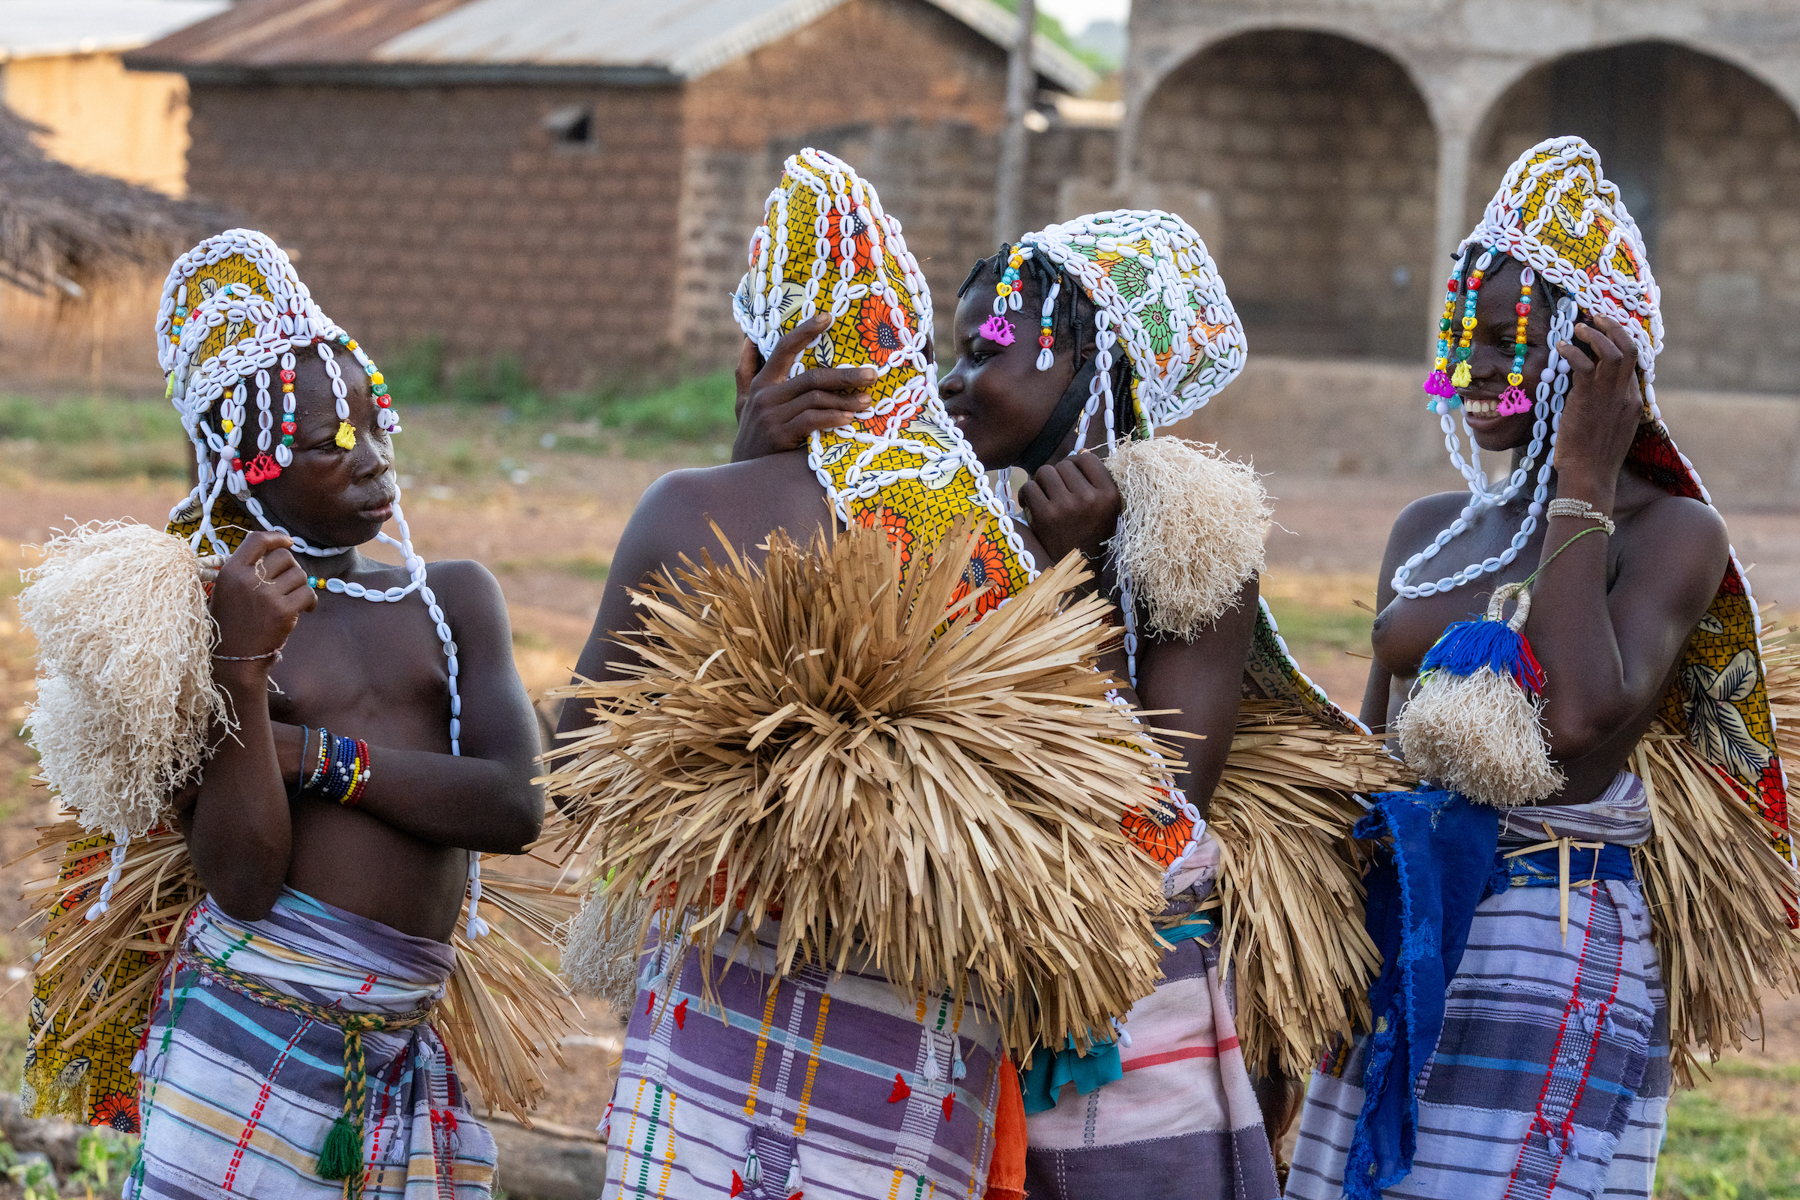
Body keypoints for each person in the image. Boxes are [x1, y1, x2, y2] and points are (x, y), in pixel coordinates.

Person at [1285, 137, 1797, 1200]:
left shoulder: (1670, 534)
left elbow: (1574, 727)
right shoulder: (1430, 531)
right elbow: (1377, 753)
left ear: (1596, 355)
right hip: (1405, 919)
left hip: (1546, 939)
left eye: (1507, 338)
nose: (1470, 365)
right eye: (1460, 338)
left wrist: (1584, 480)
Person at [23, 230, 546, 1200]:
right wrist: (241, 664)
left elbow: (514, 806)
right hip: (244, 1050)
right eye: (328, 444)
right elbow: (246, 880)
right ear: (246, 463)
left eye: (377, 423)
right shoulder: (199, 623)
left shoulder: (454, 601)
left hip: (405, 1050)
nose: (372, 462)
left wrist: (316, 757)